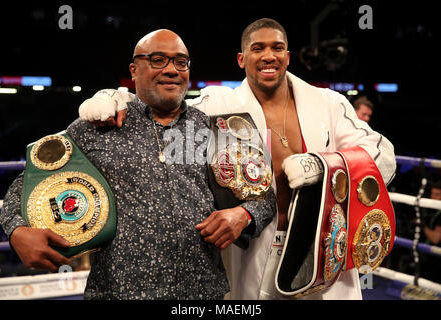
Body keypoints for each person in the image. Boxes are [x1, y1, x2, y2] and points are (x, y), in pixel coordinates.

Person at [78, 18, 397, 299]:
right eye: (258, 48)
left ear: (287, 55)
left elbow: (383, 155)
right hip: (253, 250)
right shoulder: (220, 103)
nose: (268, 55)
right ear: (242, 59)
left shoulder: (328, 103)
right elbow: (166, 104)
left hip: (322, 246)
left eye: (277, 47)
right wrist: (115, 97)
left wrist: (323, 167)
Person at [0, 29, 276, 299]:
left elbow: (263, 196)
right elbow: (27, 182)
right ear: (134, 70)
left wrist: (243, 215)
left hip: (201, 294)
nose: (172, 70)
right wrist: (17, 230)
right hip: (117, 293)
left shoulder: (211, 129)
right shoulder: (98, 126)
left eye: (181, 62)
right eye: (158, 60)